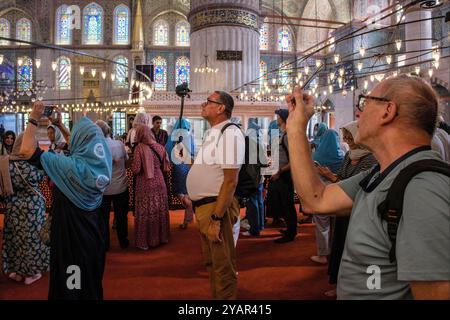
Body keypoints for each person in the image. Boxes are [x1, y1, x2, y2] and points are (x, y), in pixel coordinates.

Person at [286, 74, 450, 299]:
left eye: (365, 102)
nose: (357, 113)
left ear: (387, 111)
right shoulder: (381, 172)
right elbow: (316, 199)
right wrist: (296, 128)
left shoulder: (423, 188)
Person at [20, 102, 112, 300]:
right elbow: (78, 145)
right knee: (89, 281)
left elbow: (27, 150)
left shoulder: (66, 167)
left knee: (72, 285)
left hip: (71, 238)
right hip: (93, 237)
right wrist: (60, 126)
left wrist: (34, 118)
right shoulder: (99, 167)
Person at [186, 91, 245, 300]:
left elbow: (230, 181)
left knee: (223, 267)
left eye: (209, 101)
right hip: (205, 207)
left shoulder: (230, 133)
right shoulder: (214, 132)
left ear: (221, 108)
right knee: (212, 263)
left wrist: (217, 219)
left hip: (215, 208)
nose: (203, 104)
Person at [316, 121, 378, 297]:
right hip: (343, 211)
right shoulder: (349, 155)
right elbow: (343, 178)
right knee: (340, 247)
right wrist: (332, 176)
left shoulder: (371, 158)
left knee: (355, 251)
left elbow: (358, 187)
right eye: (346, 136)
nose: (347, 140)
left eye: (350, 137)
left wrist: (330, 177)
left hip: (357, 211)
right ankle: (340, 285)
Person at [1, 134, 50, 285]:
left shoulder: (5, 162)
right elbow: (41, 177)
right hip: (32, 208)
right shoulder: (28, 166)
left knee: (16, 239)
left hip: (13, 206)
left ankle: (16, 271)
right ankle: (31, 274)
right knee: (32, 239)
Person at [132, 125, 170, 250]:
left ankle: (145, 241)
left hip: (145, 183)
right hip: (160, 181)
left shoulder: (139, 148)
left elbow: (136, 169)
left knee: (146, 211)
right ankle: (161, 238)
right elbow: (166, 166)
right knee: (158, 210)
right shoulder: (160, 147)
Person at [310, 123, 344, 264]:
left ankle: (323, 254)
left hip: (322, 193)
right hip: (338, 194)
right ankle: (336, 253)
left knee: (322, 226)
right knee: (336, 226)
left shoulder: (317, 156)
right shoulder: (342, 156)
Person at [96, 120, 130, 250]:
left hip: (103, 188)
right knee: (121, 216)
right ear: (109, 131)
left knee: (103, 219)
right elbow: (126, 162)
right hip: (120, 186)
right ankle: (123, 241)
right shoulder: (119, 144)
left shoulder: (96, 147)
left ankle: (105, 244)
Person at [267, 108, 297, 243]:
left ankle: (291, 233)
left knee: (287, 205)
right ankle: (289, 230)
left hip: (284, 176)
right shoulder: (283, 134)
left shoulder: (287, 136)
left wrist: (279, 172)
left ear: (283, 118)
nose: (276, 118)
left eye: (278, 116)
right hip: (281, 175)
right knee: (284, 205)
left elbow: (294, 160)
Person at [165, 118, 195, 229]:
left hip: (177, 167)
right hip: (188, 167)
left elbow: (167, 151)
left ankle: (187, 206)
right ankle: (187, 220)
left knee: (179, 191)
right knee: (187, 192)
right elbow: (192, 152)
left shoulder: (173, 136)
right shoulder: (189, 136)